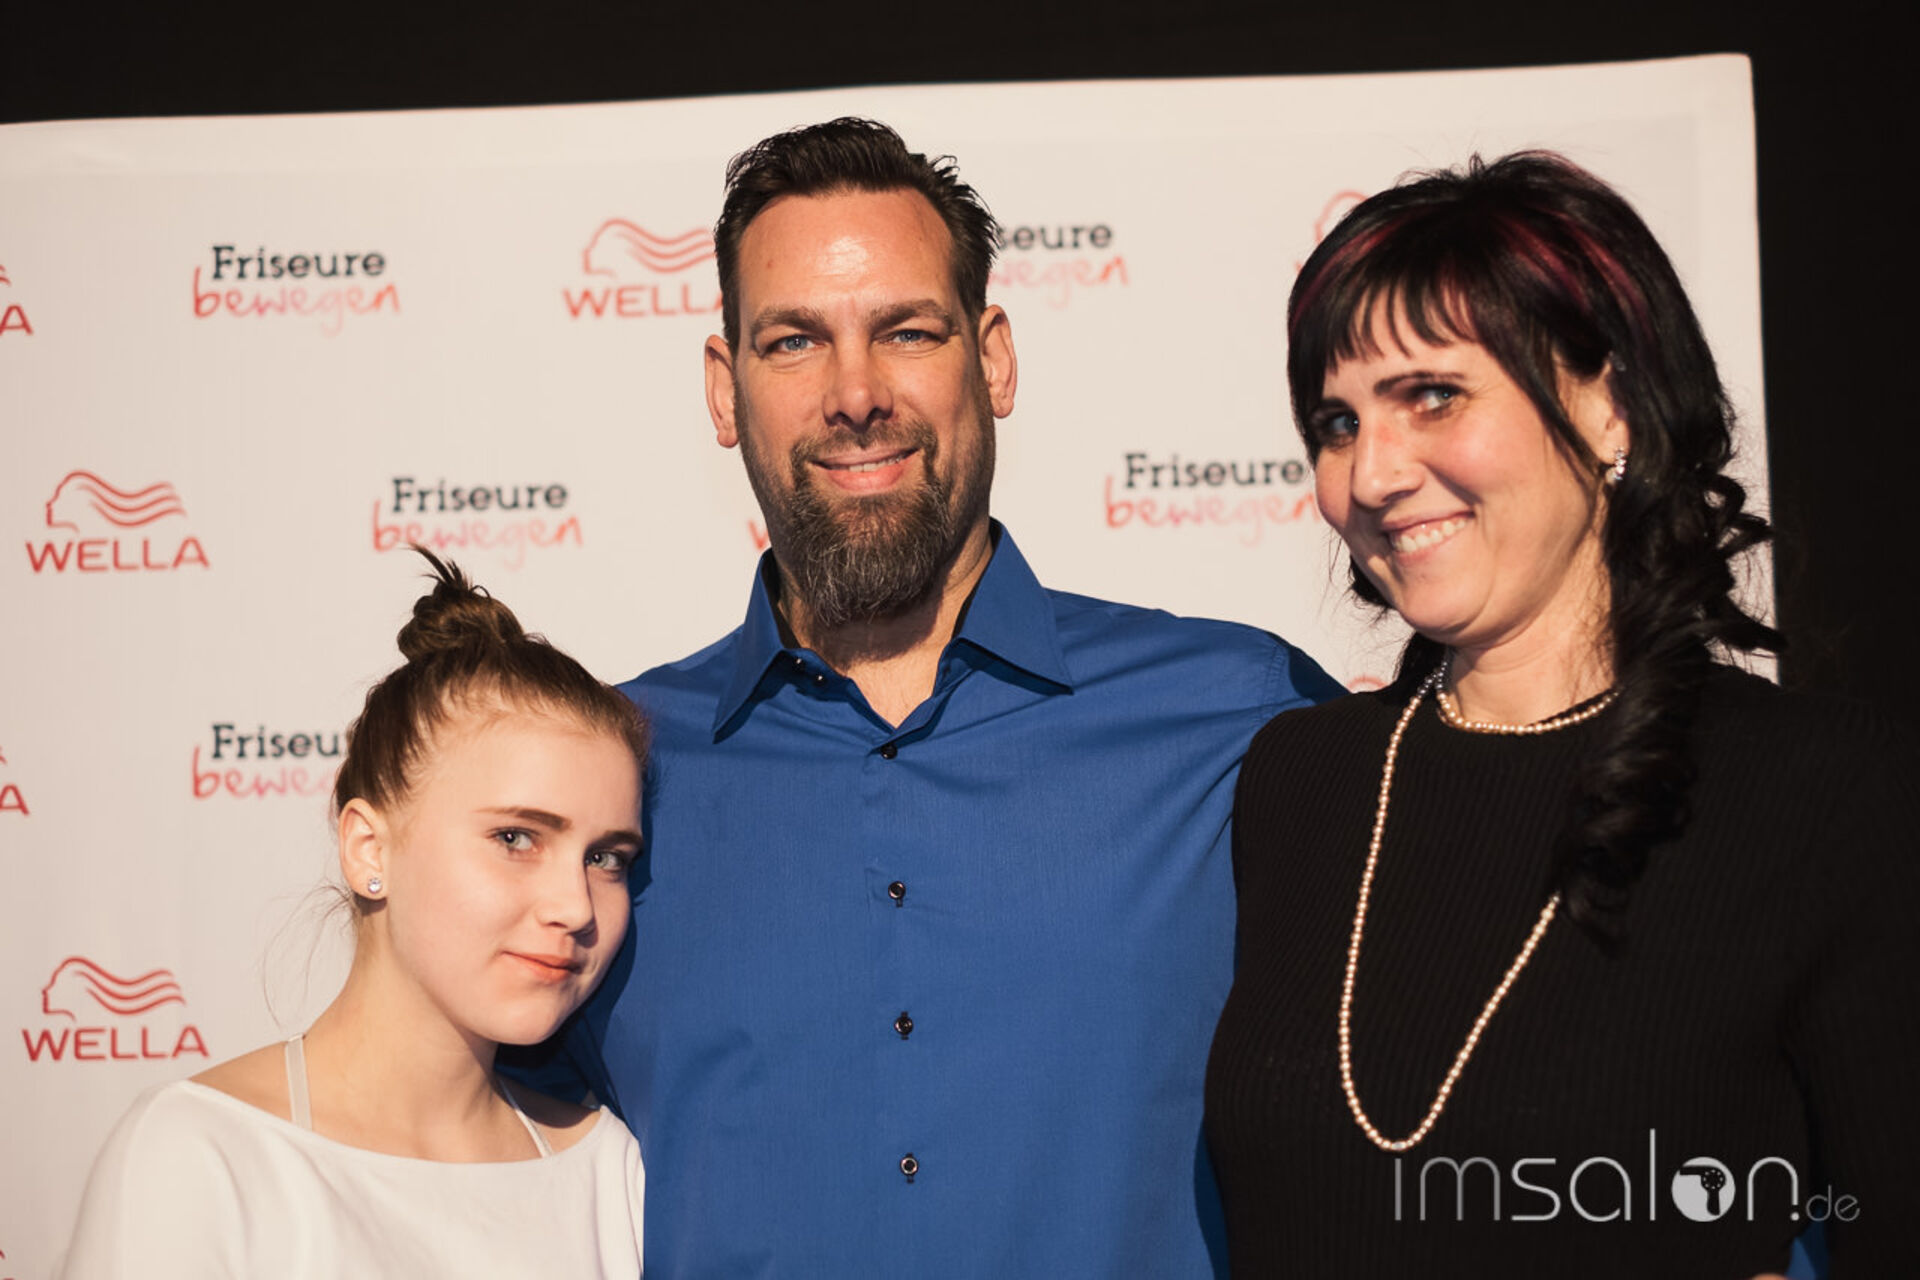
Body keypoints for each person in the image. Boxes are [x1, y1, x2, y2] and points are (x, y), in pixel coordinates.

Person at [517, 117, 1342, 1276]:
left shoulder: (1240, 718)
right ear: (724, 388)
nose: (855, 394)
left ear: (993, 359)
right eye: (794, 341)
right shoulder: (607, 776)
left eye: (906, 331)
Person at [1204, 152, 1920, 1278]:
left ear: (1609, 404)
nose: (1372, 474)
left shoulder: (1819, 790)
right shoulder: (1299, 779)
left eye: (1432, 395)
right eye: (1336, 422)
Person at [61, 552, 650, 1279]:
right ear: (369, 848)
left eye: (607, 858)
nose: (575, 907)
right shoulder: (201, 1158)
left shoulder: (606, 1172)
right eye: (515, 838)